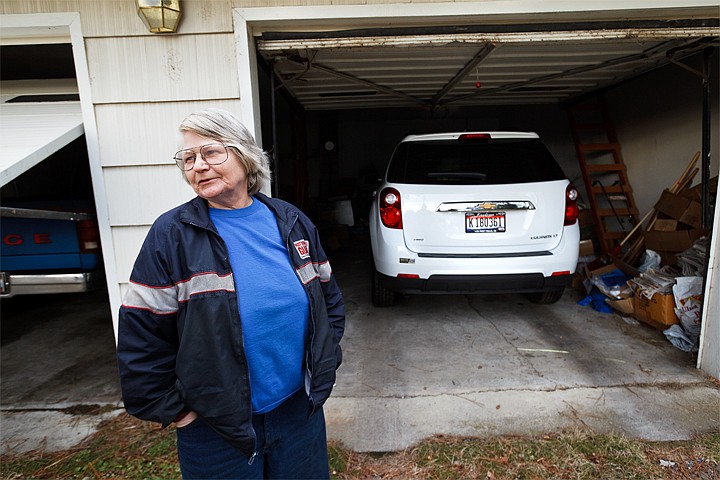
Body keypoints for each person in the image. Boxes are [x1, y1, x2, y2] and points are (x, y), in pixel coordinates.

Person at [116, 108, 345, 479]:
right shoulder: (171, 235)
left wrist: (324, 358)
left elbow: (328, 301)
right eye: (188, 159)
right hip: (215, 427)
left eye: (210, 152)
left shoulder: (291, 221)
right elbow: (141, 333)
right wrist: (175, 410)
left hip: (297, 414)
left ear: (245, 155)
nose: (198, 166)